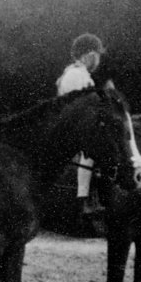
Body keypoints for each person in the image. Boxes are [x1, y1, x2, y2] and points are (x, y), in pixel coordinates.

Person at [56, 33, 106, 215]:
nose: (99, 60)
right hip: (72, 126)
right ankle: (83, 197)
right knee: (90, 154)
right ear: (89, 55)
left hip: (81, 124)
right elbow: (78, 107)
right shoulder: (75, 75)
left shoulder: (83, 74)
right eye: (97, 55)